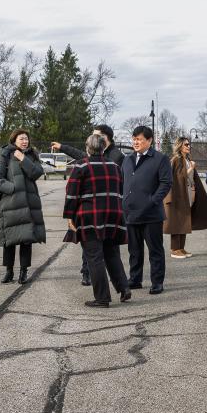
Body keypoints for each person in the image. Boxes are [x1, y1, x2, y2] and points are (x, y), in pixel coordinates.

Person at [51, 124, 124, 287]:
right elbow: (82, 155)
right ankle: (96, 276)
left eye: (96, 135)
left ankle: (104, 289)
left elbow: (73, 192)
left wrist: (70, 216)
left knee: (101, 251)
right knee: (97, 251)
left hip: (97, 210)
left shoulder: (116, 157)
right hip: (107, 210)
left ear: (106, 138)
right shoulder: (101, 157)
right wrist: (63, 147)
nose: (94, 137)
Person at [64, 132, 132, 307]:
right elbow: (120, 190)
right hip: (113, 215)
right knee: (112, 254)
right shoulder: (114, 166)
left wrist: (69, 216)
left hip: (90, 216)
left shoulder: (81, 166)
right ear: (103, 148)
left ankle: (102, 298)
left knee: (94, 257)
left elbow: (72, 194)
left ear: (87, 148)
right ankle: (124, 288)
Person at [0, 128, 47, 284]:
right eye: (21, 138)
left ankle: (23, 271)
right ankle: (9, 271)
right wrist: (12, 188)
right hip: (11, 204)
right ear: (14, 140)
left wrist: (23, 159)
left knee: (26, 238)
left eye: (26, 138)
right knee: (10, 239)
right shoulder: (5, 154)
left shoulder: (31, 155)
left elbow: (36, 173)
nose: (24, 141)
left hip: (29, 203)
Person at [121, 125, 172, 294]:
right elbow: (123, 182)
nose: (136, 142)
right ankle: (135, 279)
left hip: (151, 214)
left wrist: (152, 200)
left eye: (139, 139)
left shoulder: (160, 159)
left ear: (149, 141)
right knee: (134, 250)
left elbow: (166, 183)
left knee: (155, 250)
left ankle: (157, 282)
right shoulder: (127, 159)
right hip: (131, 212)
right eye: (134, 139)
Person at [163, 136, 207, 258]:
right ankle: (174, 249)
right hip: (178, 195)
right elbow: (178, 178)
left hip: (188, 193)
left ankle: (181, 248)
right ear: (180, 146)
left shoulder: (187, 159)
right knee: (177, 221)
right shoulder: (176, 160)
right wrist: (191, 168)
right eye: (186, 144)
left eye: (189, 144)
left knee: (184, 221)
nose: (188, 146)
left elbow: (190, 178)